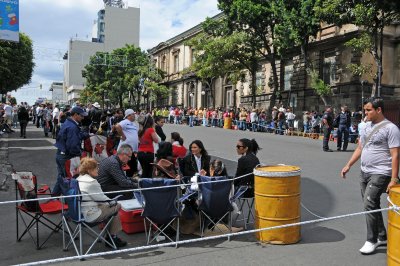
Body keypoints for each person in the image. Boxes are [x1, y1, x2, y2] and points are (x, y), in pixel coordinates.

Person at [341, 97, 400, 255]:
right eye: (365, 110)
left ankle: (371, 240)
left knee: (369, 203)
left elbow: (395, 155)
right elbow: (361, 147)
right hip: (364, 171)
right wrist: (348, 165)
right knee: (371, 205)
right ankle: (381, 236)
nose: (365, 113)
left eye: (368, 110)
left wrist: (394, 179)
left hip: (381, 172)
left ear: (378, 110)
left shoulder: (391, 128)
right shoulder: (366, 126)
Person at [77, 157, 127, 248]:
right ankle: (112, 238)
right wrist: (112, 202)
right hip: (91, 214)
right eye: (96, 168)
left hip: (81, 212)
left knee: (111, 210)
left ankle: (111, 237)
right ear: (89, 170)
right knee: (117, 206)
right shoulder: (92, 182)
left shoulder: (79, 179)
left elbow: (98, 199)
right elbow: (103, 199)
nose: (98, 170)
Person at [54, 106, 90, 185]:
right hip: (66, 156)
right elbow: (72, 145)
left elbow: (75, 136)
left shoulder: (69, 122)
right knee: (66, 180)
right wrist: (79, 154)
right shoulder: (72, 127)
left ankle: (54, 196)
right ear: (75, 115)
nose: (83, 118)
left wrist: (85, 135)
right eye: (81, 116)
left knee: (61, 178)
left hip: (61, 154)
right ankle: (66, 196)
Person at [115, 109, 138, 177]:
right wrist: (122, 135)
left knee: (132, 168)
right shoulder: (125, 122)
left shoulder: (133, 124)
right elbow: (117, 126)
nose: (134, 116)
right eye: (133, 114)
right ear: (128, 115)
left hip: (131, 151)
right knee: (126, 168)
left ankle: (129, 180)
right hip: (125, 150)